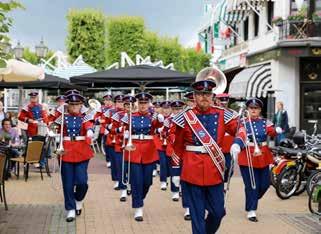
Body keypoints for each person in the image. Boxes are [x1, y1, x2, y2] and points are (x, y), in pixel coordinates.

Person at [171, 72, 241, 234]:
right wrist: (175, 171)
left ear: (212, 96)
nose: (204, 97)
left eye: (207, 94)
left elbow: (241, 129)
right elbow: (177, 146)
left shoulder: (223, 114)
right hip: (191, 171)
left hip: (214, 170)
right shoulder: (185, 117)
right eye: (200, 94)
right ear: (194, 96)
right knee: (197, 215)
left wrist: (238, 143)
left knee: (218, 212)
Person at [230, 98, 281, 222]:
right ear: (248, 109)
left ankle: (252, 200)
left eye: (256, 108)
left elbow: (272, 132)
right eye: (251, 108)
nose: (253, 110)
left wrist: (277, 131)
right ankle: (252, 210)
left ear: (259, 110)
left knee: (265, 184)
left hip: (263, 155)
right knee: (251, 185)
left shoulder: (264, 122)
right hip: (247, 155)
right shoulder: (241, 122)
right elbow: (236, 133)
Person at [54, 90, 94, 222]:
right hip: (66, 150)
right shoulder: (63, 116)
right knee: (67, 182)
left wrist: (89, 131)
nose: (74, 107)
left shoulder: (85, 116)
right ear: (68, 105)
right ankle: (70, 208)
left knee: (82, 181)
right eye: (72, 104)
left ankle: (79, 198)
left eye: (77, 104)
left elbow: (89, 124)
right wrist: (52, 130)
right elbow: (51, 122)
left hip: (82, 149)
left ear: (81, 104)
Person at [122, 92, 164, 221]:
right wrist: (125, 133)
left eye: (145, 103)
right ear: (137, 104)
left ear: (149, 104)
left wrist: (161, 119)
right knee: (136, 180)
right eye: (141, 103)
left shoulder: (153, 117)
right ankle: (138, 207)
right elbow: (122, 128)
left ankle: (140, 197)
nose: (143, 105)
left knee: (147, 181)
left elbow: (159, 125)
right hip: (134, 149)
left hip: (148, 151)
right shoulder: (130, 116)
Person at [215, 93, 237, 184]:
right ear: (217, 101)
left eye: (225, 101)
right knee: (216, 168)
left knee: (229, 168)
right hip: (217, 145)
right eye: (221, 101)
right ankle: (218, 185)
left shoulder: (233, 113)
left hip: (229, 146)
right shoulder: (214, 112)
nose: (223, 103)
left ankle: (223, 183)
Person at [105, 95, 124, 189]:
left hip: (123, 139)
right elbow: (105, 122)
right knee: (115, 162)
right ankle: (116, 180)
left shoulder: (127, 112)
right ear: (115, 102)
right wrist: (109, 127)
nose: (120, 103)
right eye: (118, 101)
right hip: (112, 139)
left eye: (121, 102)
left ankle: (124, 181)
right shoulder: (111, 111)